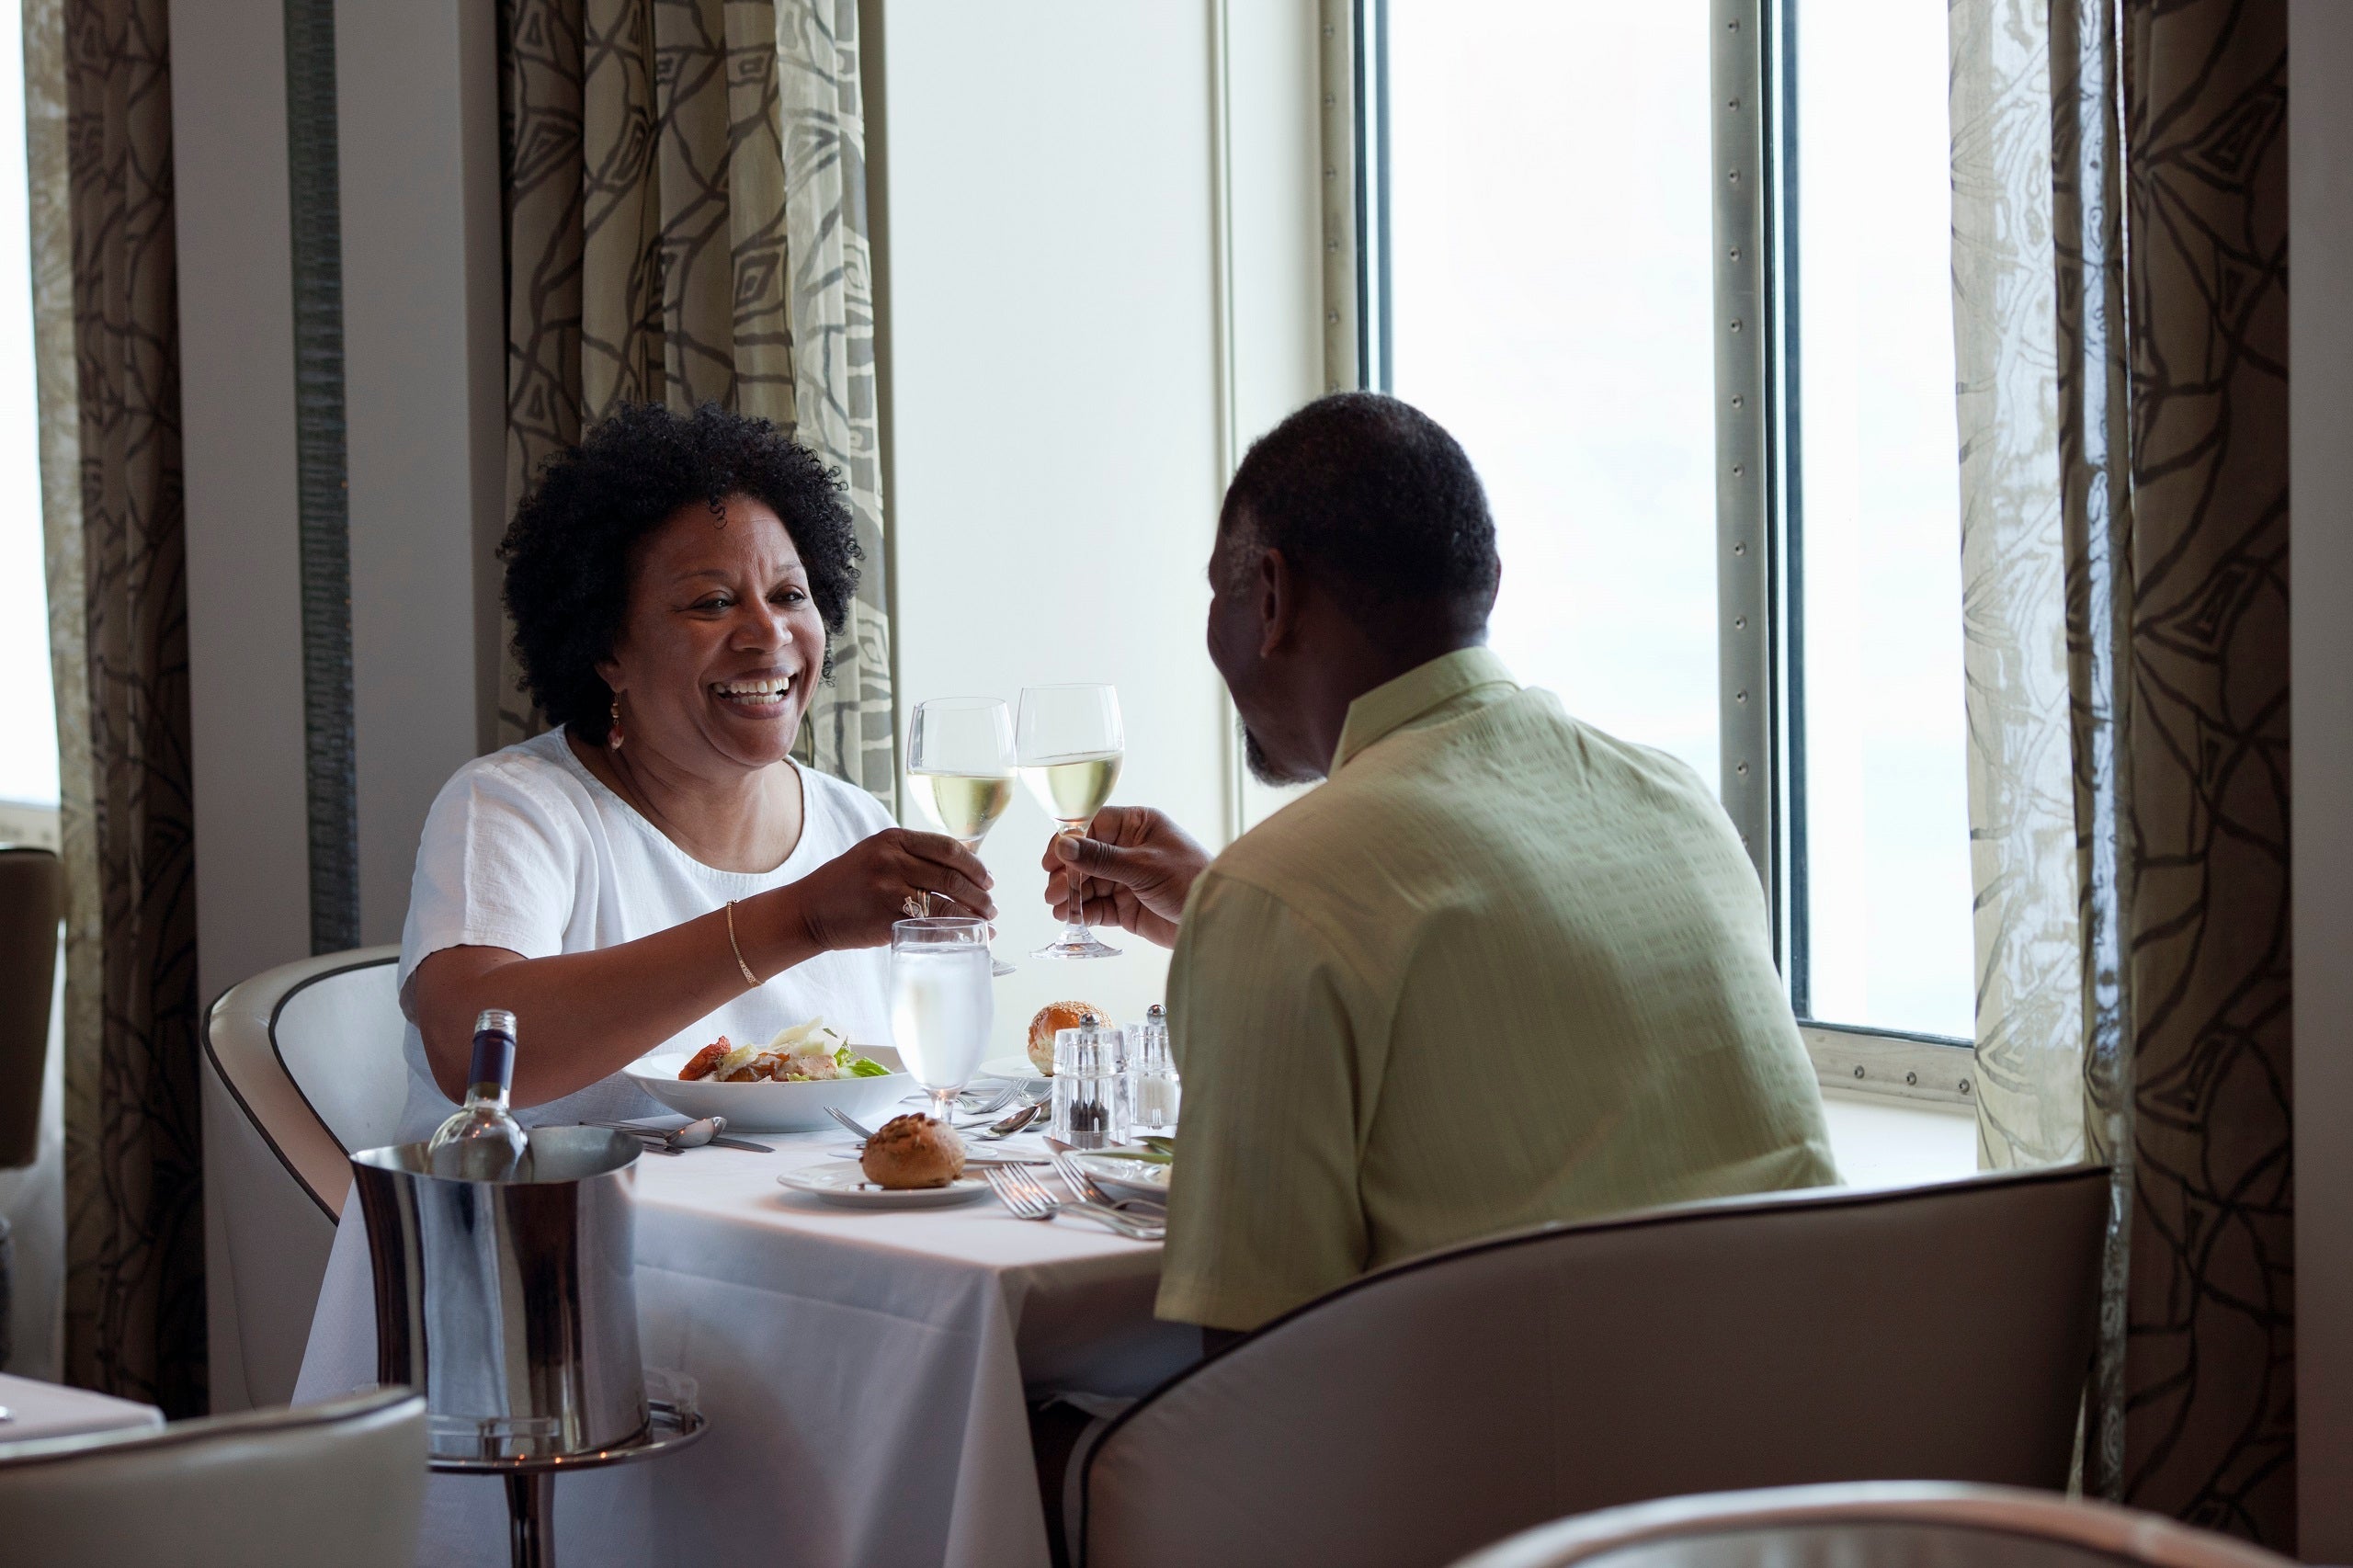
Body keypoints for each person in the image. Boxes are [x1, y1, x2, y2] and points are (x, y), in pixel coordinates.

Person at [1043, 392, 1837, 1335]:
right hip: (1806, 1440)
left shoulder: (1280, 891)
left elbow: (1258, 1370)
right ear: (1489, 580)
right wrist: (1228, 918)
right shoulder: (1674, 799)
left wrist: (1244, 913)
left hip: (1532, 1469)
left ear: (1269, 594)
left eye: (1216, 590)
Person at [388, 401, 995, 1135]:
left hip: (789, 1240)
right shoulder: (514, 807)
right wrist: (800, 919)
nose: (769, 632)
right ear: (608, 650)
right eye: (712, 603)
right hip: (543, 1243)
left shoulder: (852, 824)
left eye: (789, 595)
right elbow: (472, 1052)